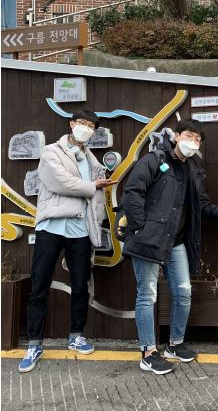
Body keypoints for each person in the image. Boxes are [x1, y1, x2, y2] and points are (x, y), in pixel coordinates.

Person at [121, 119, 218, 375]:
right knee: (147, 295)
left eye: (197, 140)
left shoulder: (193, 170)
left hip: (176, 242)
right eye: (189, 136)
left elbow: (203, 207)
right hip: (148, 240)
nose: (193, 143)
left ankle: (175, 345)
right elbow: (132, 192)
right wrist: (140, 228)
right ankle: (148, 353)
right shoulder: (153, 160)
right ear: (176, 136)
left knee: (183, 292)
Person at [19, 110, 114, 373]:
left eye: (90, 126)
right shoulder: (51, 152)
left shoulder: (91, 160)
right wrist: (92, 186)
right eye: (82, 123)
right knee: (40, 283)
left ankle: (76, 335)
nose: (85, 128)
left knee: (81, 284)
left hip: (80, 229)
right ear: (71, 124)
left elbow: (95, 195)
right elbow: (59, 182)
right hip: (51, 226)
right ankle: (35, 343)